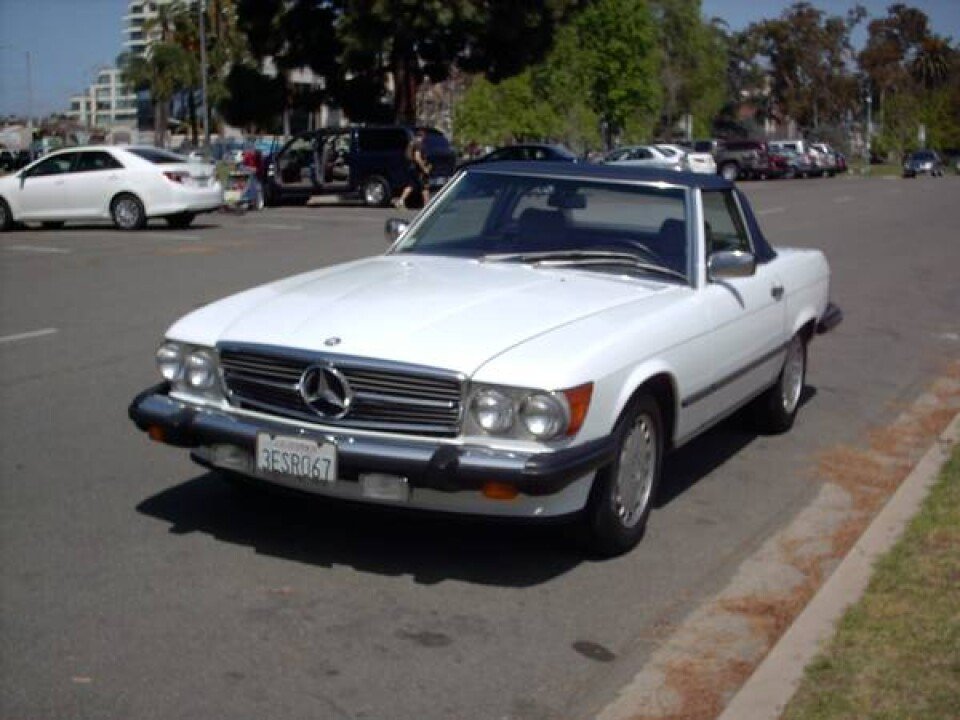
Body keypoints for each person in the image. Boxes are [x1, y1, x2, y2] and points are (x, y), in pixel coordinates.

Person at [395, 128, 431, 209]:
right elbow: (417, 157)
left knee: (411, 186)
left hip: (411, 168)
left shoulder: (412, 143)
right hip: (418, 170)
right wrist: (424, 168)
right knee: (424, 187)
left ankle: (400, 201)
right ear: (422, 136)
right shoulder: (418, 144)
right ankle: (427, 206)